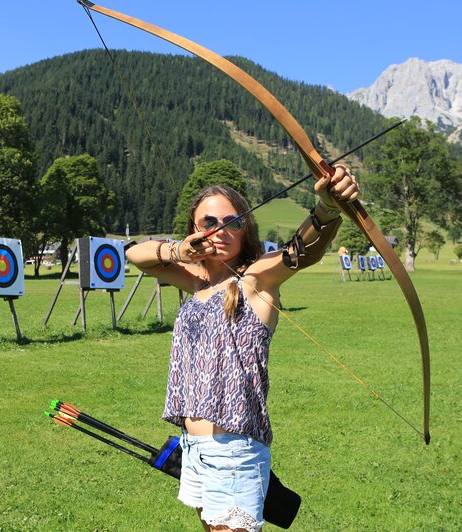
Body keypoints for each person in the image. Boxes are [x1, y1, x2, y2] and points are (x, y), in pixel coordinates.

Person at [125, 166, 358, 531]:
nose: (219, 230)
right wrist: (178, 250)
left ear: (245, 229)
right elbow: (134, 255)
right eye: (208, 222)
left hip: (233, 451)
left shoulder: (256, 278)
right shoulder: (197, 281)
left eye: (232, 222)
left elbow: (300, 252)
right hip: (194, 446)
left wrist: (327, 208)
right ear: (194, 229)